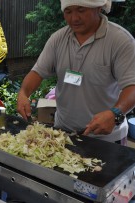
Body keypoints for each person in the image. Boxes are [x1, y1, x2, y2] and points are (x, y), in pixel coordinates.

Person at [17, 0, 135, 145]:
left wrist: (115, 114)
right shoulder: (58, 38)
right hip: (63, 133)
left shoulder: (120, 40)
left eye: (81, 10)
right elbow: (37, 72)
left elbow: (132, 87)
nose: (74, 18)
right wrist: (23, 93)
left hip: (106, 138)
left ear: (98, 8)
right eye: (68, 11)